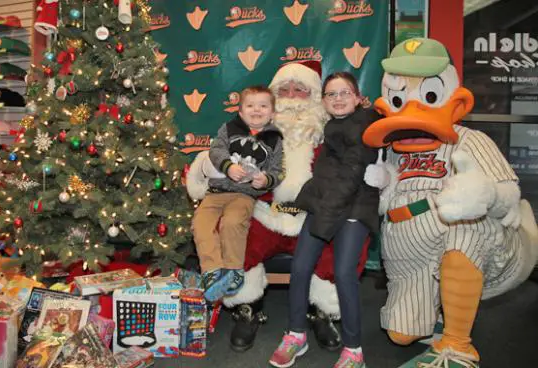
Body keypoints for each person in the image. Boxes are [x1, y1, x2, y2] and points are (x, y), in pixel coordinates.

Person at [362, 38, 538, 367]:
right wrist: (384, 188)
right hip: (408, 255)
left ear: (455, 101)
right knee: (401, 335)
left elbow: (508, 196)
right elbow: (390, 197)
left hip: (462, 240)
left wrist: (483, 195)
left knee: (465, 228)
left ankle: (458, 347)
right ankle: (441, 312)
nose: (413, 107)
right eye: (400, 98)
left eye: (428, 96)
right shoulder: (395, 148)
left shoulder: (472, 140)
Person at [187, 61, 369, 352]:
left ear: (314, 99)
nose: (292, 96)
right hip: (264, 212)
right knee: (235, 232)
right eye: (284, 90)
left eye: (300, 90)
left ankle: (323, 311)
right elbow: (218, 154)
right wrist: (204, 170)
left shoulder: (331, 131)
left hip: (311, 217)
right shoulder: (253, 132)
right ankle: (248, 308)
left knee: (338, 247)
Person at [269, 72, 380, 368]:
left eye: (345, 93)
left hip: (354, 208)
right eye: (332, 94)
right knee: (301, 266)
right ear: (324, 100)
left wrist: (324, 220)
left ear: (357, 98)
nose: (338, 99)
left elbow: (349, 178)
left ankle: (354, 350)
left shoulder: (365, 126)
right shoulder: (331, 126)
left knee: (344, 273)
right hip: (325, 206)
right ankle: (296, 334)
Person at [192, 85, 283, 302]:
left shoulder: (275, 139)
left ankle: (233, 272)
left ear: (272, 113)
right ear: (241, 112)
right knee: (200, 224)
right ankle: (212, 272)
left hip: (244, 194)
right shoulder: (229, 128)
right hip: (216, 192)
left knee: (233, 222)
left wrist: (265, 181)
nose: (256, 110)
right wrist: (227, 166)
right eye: (250, 106)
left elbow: (277, 171)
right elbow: (216, 150)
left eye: (263, 106)